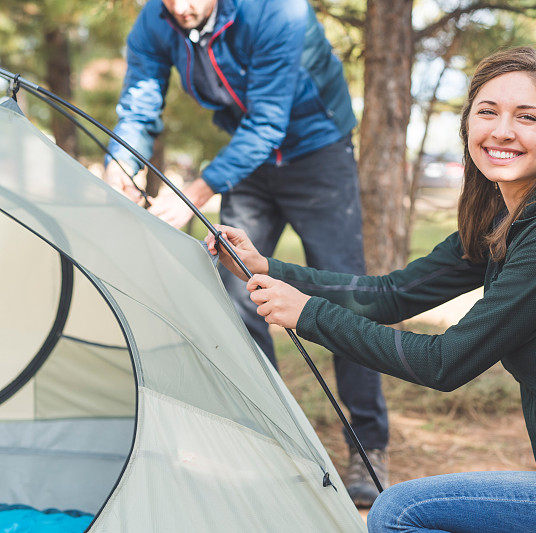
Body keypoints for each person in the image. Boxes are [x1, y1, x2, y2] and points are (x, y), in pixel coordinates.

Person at [207, 47, 536, 532]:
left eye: (527, 117)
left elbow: (445, 363)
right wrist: (265, 266)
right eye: (487, 112)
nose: (502, 130)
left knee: (399, 511)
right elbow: (392, 295)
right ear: (469, 125)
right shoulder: (503, 217)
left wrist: (309, 314)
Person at [103, 0, 389, 506]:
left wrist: (198, 188)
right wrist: (121, 167)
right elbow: (139, 102)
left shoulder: (278, 11)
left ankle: (368, 447)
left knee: (346, 296)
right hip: (248, 159)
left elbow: (269, 121)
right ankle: (278, 439)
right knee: (237, 292)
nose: (182, 6)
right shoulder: (155, 21)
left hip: (316, 152)